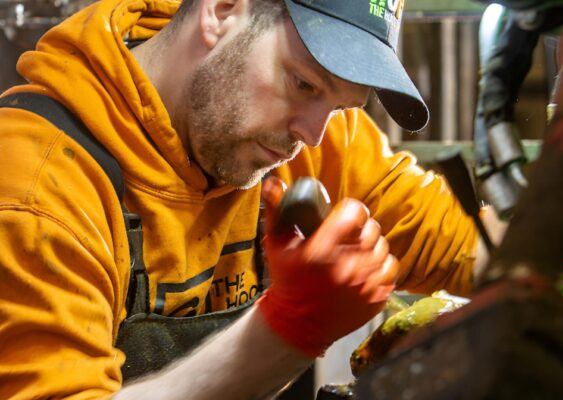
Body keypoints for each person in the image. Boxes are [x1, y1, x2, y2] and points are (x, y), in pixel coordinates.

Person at [0, 0, 490, 398]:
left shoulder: (304, 135)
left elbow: (470, 248)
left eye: (339, 104)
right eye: (303, 83)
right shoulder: (35, 187)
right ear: (221, 10)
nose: (313, 135)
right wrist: (286, 332)